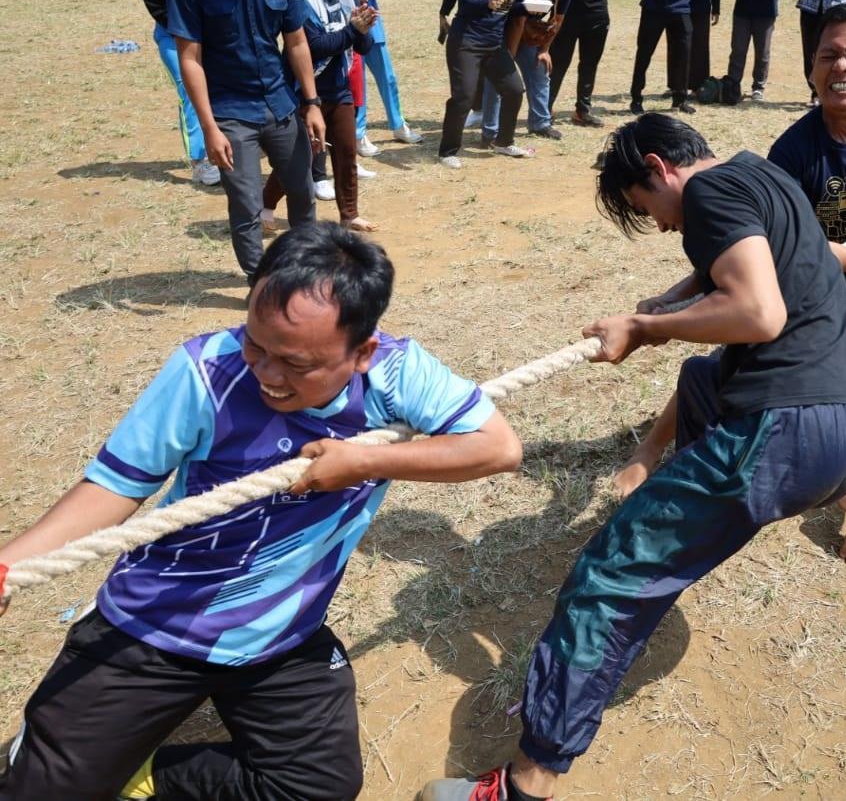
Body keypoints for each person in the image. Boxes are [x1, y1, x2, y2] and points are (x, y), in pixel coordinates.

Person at [419, 113, 846, 801]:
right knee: (705, 380)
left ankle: (526, 783)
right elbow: (763, 262)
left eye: (652, 211)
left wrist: (647, 326)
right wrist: (674, 296)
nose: (669, 228)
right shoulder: (765, 173)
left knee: (607, 576)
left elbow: (758, 313)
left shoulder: (705, 194)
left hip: (787, 431)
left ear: (658, 166)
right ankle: (686, 516)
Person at [0, 223, 523, 799]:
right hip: (154, 624)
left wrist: (362, 464)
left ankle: (145, 776)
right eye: (256, 344)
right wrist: (9, 566)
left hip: (280, 637)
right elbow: (112, 488)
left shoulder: (396, 372)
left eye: (296, 364)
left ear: (363, 351)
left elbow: (498, 448)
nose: (267, 375)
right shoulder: (206, 370)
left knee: (316, 788)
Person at [611, 2, 846, 563]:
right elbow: (750, 246)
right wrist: (676, 297)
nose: (841, 68)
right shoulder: (790, 150)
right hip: (802, 290)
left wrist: (838, 260)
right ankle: (652, 450)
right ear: (810, 66)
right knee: (727, 363)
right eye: (828, 55)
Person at [166, 0, 326, 280]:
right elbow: (190, 59)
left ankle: (305, 271)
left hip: (279, 102)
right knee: (246, 205)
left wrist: (311, 102)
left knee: (302, 190)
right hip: (230, 112)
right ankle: (261, 285)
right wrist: (209, 127)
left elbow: (296, 41)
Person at [263, 0, 380, 233]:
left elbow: (360, 48)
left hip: (339, 87)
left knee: (346, 151)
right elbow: (313, 46)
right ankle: (265, 205)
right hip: (303, 90)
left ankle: (349, 214)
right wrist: (353, 31)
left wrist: (364, 27)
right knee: (297, 158)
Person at [438, 0, 535, 169]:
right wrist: (487, 2)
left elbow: (508, 8)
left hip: (494, 44)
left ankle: (503, 142)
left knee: (514, 90)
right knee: (463, 96)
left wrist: (527, 8)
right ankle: (447, 151)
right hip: (466, 41)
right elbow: (467, 0)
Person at [133, 0, 220, 187]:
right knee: (190, 92)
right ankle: (200, 160)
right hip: (172, 35)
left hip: (212, 30)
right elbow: (157, 6)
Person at [481, 0, 576, 142]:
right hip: (501, 29)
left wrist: (544, 50)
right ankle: (490, 131)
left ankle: (540, 123)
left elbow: (558, 19)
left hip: (528, 34)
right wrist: (508, 60)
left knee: (540, 69)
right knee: (498, 78)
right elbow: (516, 22)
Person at [344, 0, 424, 159]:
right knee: (357, 84)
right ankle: (358, 134)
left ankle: (398, 124)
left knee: (388, 78)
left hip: (373, 27)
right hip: (349, 27)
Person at [547, 0, 623, 128]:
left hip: (597, 13)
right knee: (557, 62)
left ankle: (582, 111)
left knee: (589, 63)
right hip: (567, 12)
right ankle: (544, 110)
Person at [629, 0, 707, 115]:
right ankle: (636, 98)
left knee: (684, 54)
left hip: (681, 6)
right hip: (654, 5)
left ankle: (680, 99)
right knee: (644, 52)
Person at [725, 0, 785, 102]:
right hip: (743, 8)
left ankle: (758, 87)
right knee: (738, 50)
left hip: (766, 8)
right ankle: (733, 85)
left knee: (762, 53)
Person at [439, 0, 487, 129]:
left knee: (490, 66)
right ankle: (478, 110)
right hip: (468, 15)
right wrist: (444, 11)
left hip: (493, 16)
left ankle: (488, 113)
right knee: (468, 67)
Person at [687, 0, 721, 93]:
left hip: (701, 0)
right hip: (679, 0)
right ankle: (676, 85)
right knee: (678, 43)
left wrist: (716, 7)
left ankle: (700, 85)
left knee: (700, 44)